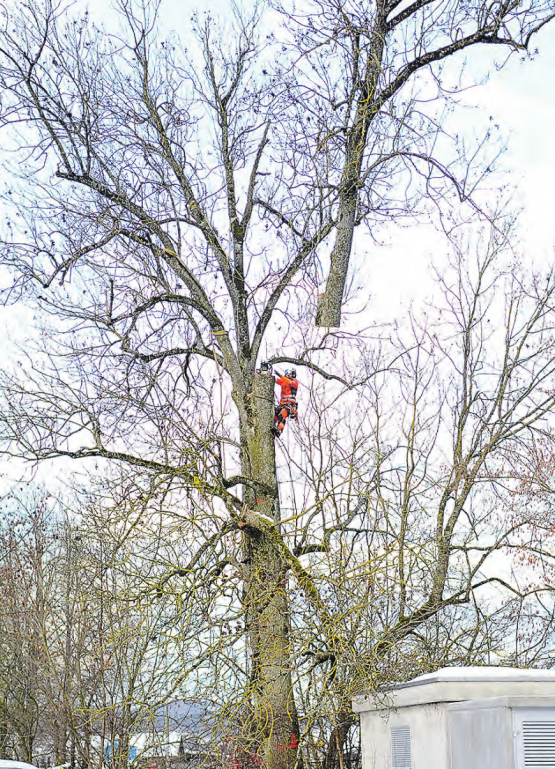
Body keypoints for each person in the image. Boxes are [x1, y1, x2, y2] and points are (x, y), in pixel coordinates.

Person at [270, 367, 299, 438]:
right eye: (287, 373)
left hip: (289, 405)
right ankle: (271, 427)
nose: (288, 375)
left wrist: (280, 376)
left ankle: (279, 430)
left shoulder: (294, 383)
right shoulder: (283, 382)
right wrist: (269, 374)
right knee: (275, 415)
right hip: (282, 404)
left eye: (289, 373)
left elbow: (289, 382)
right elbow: (275, 380)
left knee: (282, 414)